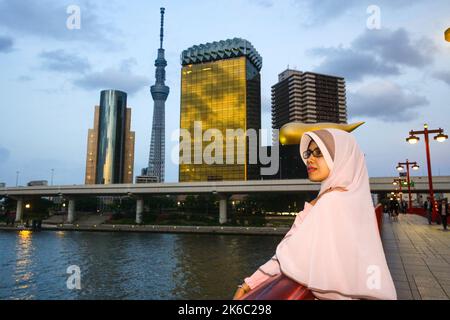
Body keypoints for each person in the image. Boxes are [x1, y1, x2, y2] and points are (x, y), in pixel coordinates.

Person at [234, 128, 397, 300]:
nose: (309, 159)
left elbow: (288, 255)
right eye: (309, 153)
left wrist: (248, 285)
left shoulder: (331, 201)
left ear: (341, 158)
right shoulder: (350, 199)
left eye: (319, 153)